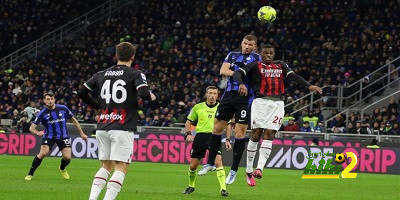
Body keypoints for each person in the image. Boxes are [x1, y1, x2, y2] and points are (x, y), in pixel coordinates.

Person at [232, 44, 322, 186]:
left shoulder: (280, 65)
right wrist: (241, 84)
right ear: (261, 53)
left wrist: (309, 86)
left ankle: (259, 168)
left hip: (277, 104)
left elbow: (294, 76)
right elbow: (237, 73)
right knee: (256, 133)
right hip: (260, 102)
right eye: (266, 53)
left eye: (271, 53)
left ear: (274, 54)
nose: (269, 55)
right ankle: (248, 170)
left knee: (270, 133)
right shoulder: (255, 65)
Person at [78, 42, 156, 200]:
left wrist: (98, 107)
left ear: (116, 55)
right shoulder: (135, 73)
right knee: (121, 167)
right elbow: (144, 94)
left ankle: (92, 199)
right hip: (122, 126)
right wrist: (151, 95)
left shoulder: (101, 74)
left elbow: (82, 92)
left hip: (103, 126)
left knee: (105, 165)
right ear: (133, 57)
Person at [204, 35, 261, 185]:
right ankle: (210, 163)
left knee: (239, 133)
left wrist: (236, 71)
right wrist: (240, 72)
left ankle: (234, 170)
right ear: (241, 43)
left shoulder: (257, 57)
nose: (247, 46)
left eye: (250, 45)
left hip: (246, 97)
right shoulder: (233, 55)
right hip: (229, 95)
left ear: (254, 46)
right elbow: (223, 70)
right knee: (216, 128)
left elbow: (256, 74)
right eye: (245, 43)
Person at [24, 92, 88, 181]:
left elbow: (74, 121)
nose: (50, 101)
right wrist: (38, 133)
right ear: (44, 101)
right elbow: (32, 128)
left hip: (63, 136)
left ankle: (61, 168)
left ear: (54, 99)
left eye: (51, 99)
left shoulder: (63, 108)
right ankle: (30, 174)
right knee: (43, 153)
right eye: (47, 99)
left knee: (67, 157)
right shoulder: (42, 113)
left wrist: (81, 133)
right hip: (49, 136)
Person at [183, 86, 231, 196]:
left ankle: (223, 189)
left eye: (215, 93)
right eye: (210, 93)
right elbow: (189, 121)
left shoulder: (221, 107)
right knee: (193, 165)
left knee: (218, 161)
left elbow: (228, 124)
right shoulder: (198, 107)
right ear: (206, 94)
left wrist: (228, 139)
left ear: (217, 95)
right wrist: (188, 134)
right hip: (200, 137)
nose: (212, 95)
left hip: (215, 137)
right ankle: (191, 186)